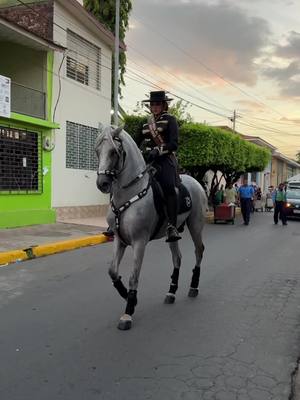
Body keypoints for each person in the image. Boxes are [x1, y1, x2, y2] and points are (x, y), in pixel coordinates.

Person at [136, 90, 181, 242]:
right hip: (147, 160)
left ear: (163, 105)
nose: (154, 107)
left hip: (164, 160)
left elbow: (174, 144)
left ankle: (172, 226)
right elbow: (136, 141)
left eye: (157, 104)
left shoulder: (170, 119)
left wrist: (158, 150)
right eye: (152, 104)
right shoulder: (145, 122)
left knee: (169, 187)